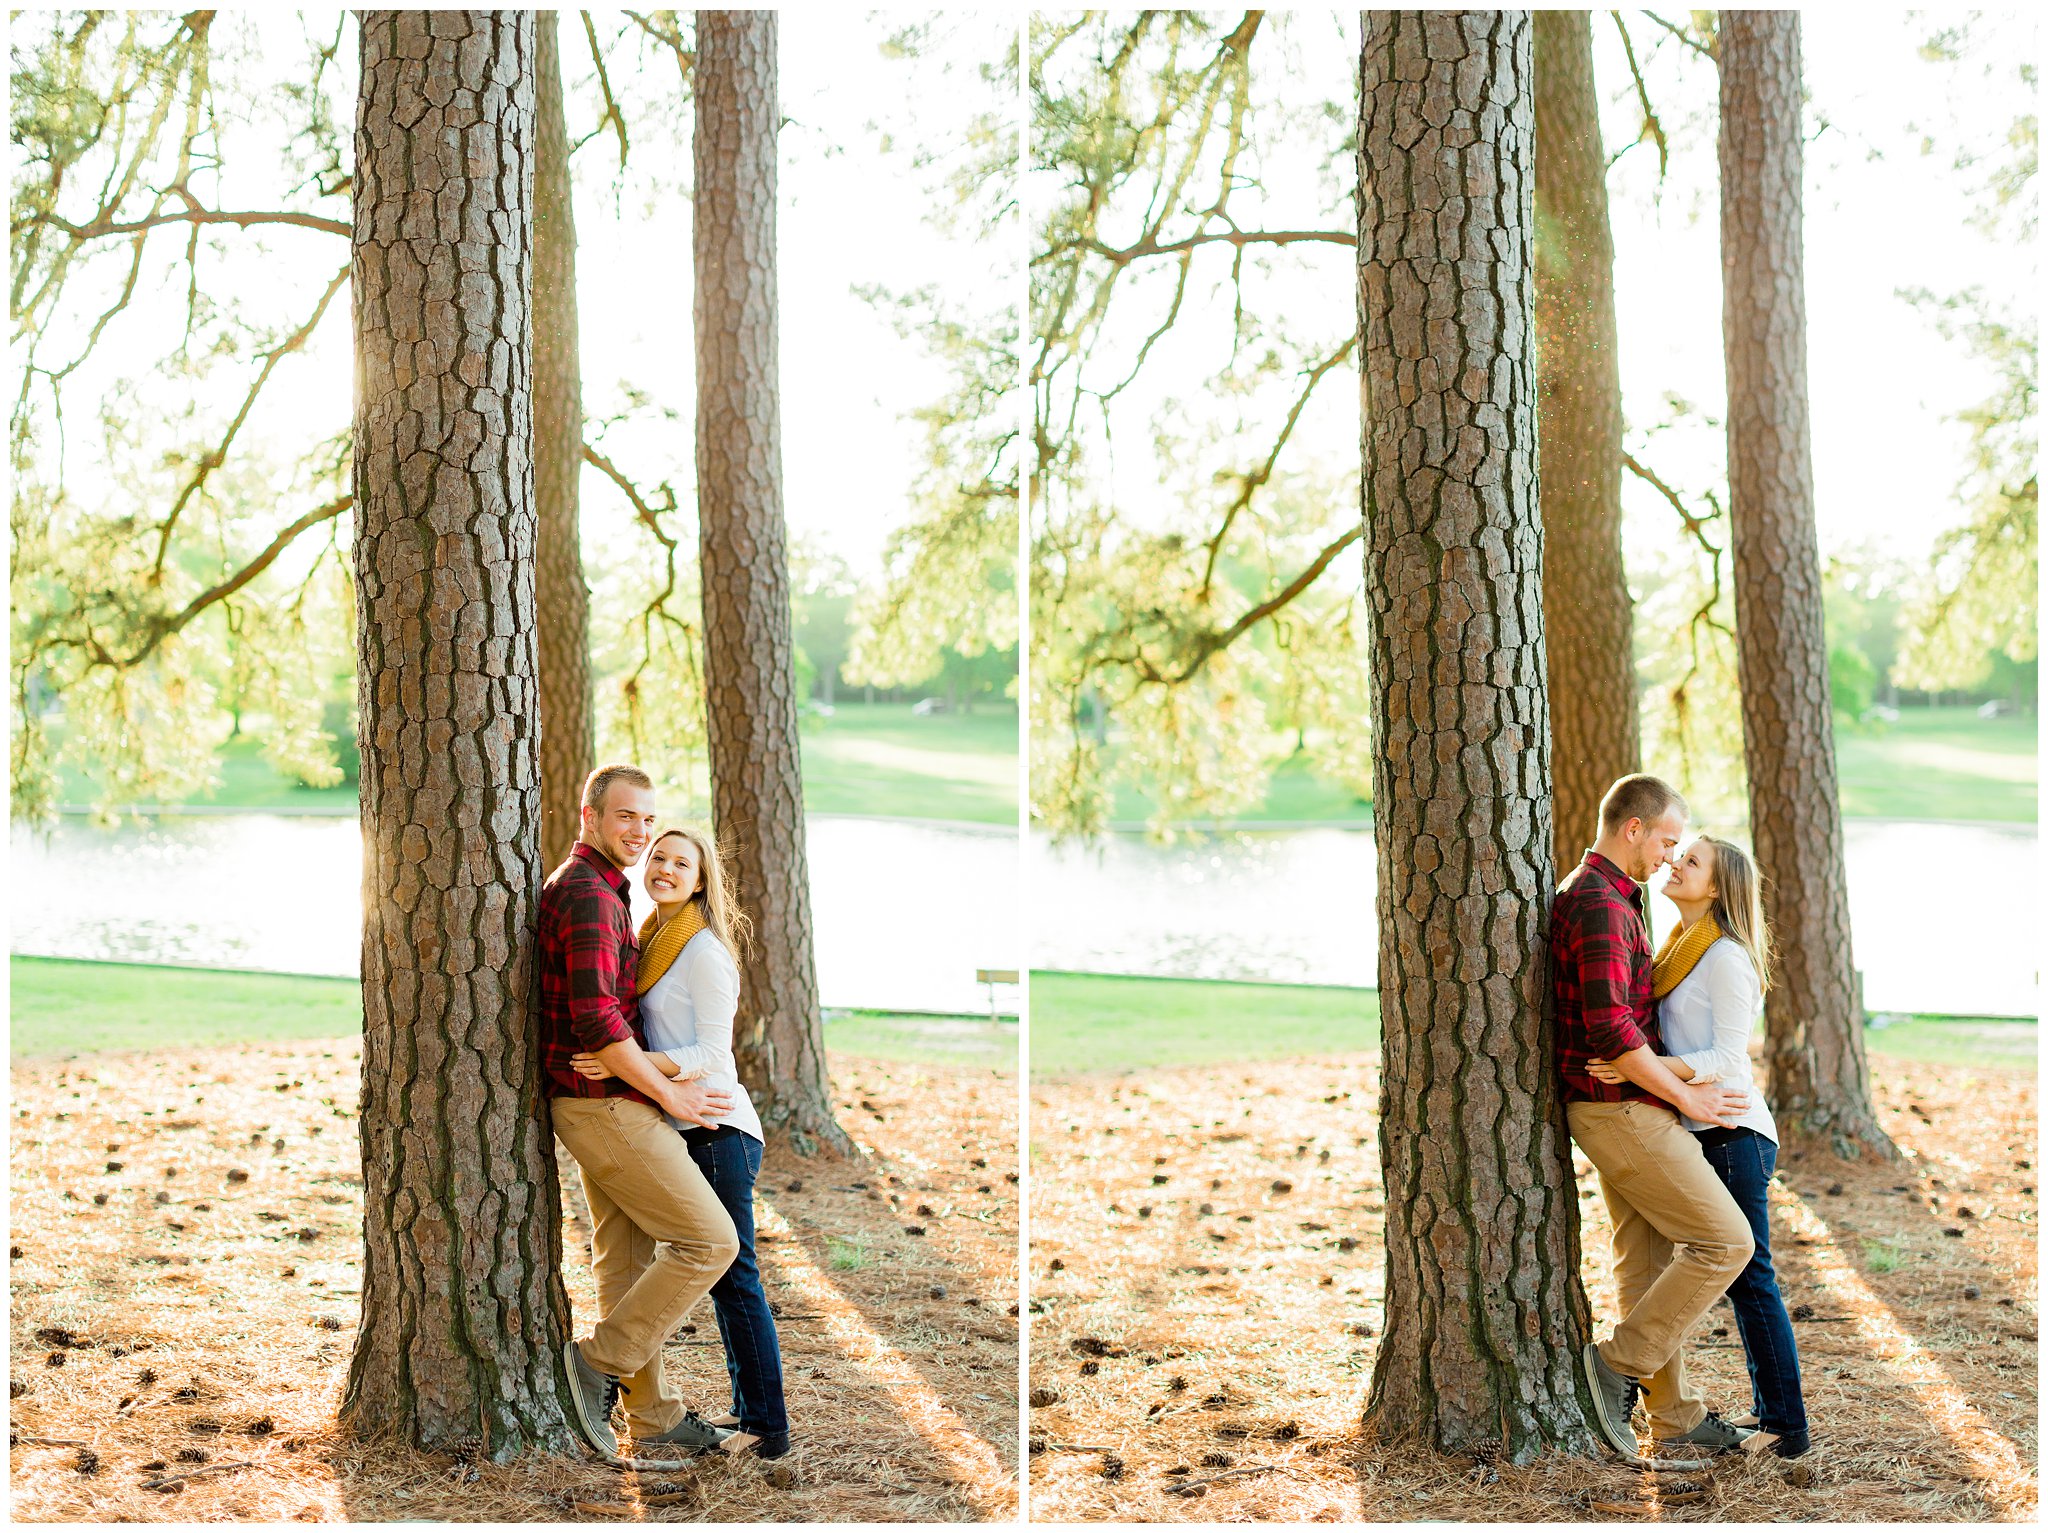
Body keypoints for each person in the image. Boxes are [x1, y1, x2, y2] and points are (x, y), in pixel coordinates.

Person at [1552, 773, 1758, 1459]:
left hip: (1626, 1105)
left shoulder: (1618, 896)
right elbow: (1611, 1028)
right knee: (1727, 1242)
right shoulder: (1598, 902)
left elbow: (1625, 1024)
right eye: (1668, 841)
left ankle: (1671, 1414)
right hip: (1620, 1113)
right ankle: (1613, 1364)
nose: (1671, 857)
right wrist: (1689, 1096)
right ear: (1633, 828)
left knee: (1641, 1268)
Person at [539, 763, 740, 1460]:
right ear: (590, 816)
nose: (640, 829)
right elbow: (596, 1016)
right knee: (711, 1242)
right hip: (604, 1109)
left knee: (623, 1265)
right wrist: (671, 1091)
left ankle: (651, 1414)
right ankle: (596, 1361)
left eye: (648, 818)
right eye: (627, 816)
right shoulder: (591, 893)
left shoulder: (602, 889)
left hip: (604, 1101)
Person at [1587, 834, 1810, 1459]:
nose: (1676, 863)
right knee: (1706, 1266)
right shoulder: (1678, 948)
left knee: (1749, 1275)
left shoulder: (1726, 956)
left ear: (1715, 887)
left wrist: (1646, 1065)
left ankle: (1784, 1425)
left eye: (1692, 862)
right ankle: (1673, 1408)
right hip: (1692, 1125)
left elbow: (1728, 1058)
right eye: (1678, 853)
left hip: (1735, 1131)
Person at [571, 825, 791, 1459]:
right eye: (658, 858)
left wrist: (624, 1063)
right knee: (711, 1270)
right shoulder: (650, 938)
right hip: (678, 1122)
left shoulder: (702, 951)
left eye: (681, 863)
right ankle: (699, 1407)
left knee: (733, 1274)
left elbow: (712, 1053)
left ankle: (766, 1427)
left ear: (701, 880)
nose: (665, 868)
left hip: (719, 1128)